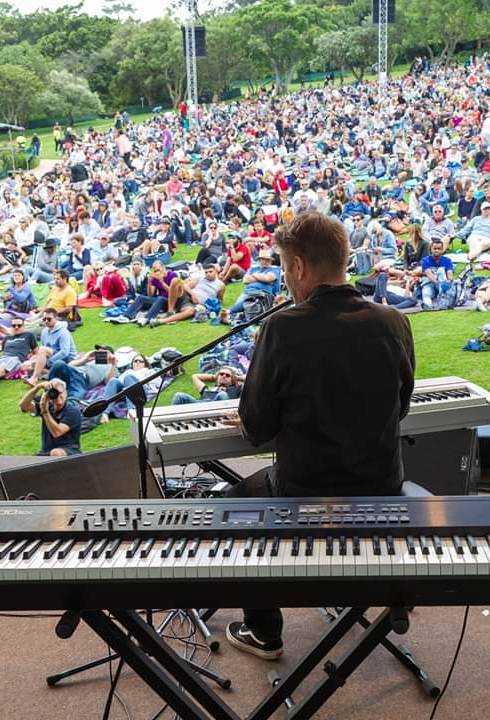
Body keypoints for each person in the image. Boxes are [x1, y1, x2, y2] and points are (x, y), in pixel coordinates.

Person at [226, 211, 415, 660]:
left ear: (298, 267)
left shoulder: (282, 327)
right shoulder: (393, 322)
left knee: (234, 503)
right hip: (383, 488)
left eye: (286, 268)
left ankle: (264, 630)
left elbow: (256, 429)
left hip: (303, 493)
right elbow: (401, 406)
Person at [19, 378, 82, 456]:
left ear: (66, 392)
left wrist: (45, 411)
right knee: (26, 464)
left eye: (60, 392)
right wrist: (37, 387)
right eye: (54, 393)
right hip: (45, 452)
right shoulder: (47, 406)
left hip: (69, 451)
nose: (58, 395)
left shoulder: (72, 411)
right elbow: (23, 405)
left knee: (55, 453)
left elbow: (57, 432)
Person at [224, 249, 282, 323]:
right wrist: (262, 278)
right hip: (248, 292)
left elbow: (268, 278)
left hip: (263, 293)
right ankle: (231, 314)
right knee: (245, 303)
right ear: (259, 260)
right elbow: (245, 280)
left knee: (247, 303)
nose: (264, 261)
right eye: (262, 259)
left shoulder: (274, 269)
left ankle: (229, 312)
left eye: (267, 260)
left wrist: (254, 275)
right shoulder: (253, 268)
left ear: (270, 261)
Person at [27, 307, 76, 383]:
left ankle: (34, 378)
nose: (46, 321)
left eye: (49, 319)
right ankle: (49, 373)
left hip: (68, 359)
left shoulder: (63, 332)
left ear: (56, 318)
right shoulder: (44, 331)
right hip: (52, 357)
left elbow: (65, 353)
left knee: (42, 351)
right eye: (44, 319)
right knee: (28, 365)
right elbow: (42, 351)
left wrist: (48, 362)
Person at [171, 367, 243, 404]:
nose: (224, 376)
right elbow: (195, 376)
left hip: (218, 411)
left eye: (227, 375)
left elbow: (251, 379)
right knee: (179, 396)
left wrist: (237, 378)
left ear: (232, 380)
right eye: (221, 374)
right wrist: (215, 377)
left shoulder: (236, 389)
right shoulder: (208, 389)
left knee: (222, 394)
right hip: (202, 408)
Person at [418, 239, 454, 309]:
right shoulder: (425, 260)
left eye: (439, 249)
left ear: (442, 249)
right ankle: (428, 306)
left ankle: (443, 302)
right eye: (435, 248)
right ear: (431, 249)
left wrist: (447, 283)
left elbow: (450, 275)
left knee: (441, 271)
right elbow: (429, 275)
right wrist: (437, 283)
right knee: (426, 293)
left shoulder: (447, 260)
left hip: (443, 283)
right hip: (429, 283)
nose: (437, 250)